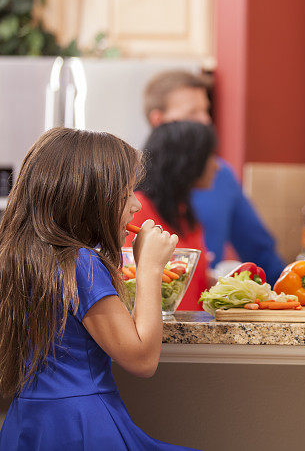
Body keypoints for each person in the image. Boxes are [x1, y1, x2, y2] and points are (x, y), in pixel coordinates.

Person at [0, 128, 192, 449]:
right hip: (83, 426)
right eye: (125, 192)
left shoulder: (18, 259)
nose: (135, 206)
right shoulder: (80, 263)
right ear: (87, 196)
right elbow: (142, 359)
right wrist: (150, 268)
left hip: (28, 423)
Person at [143, 70, 285, 281]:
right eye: (193, 113)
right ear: (159, 121)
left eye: (206, 111)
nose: (205, 120)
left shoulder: (221, 175)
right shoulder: (134, 187)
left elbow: (258, 249)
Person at [125, 121, 218, 311]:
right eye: (209, 156)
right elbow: (129, 280)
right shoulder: (137, 211)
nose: (216, 166)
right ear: (187, 162)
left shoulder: (184, 213)